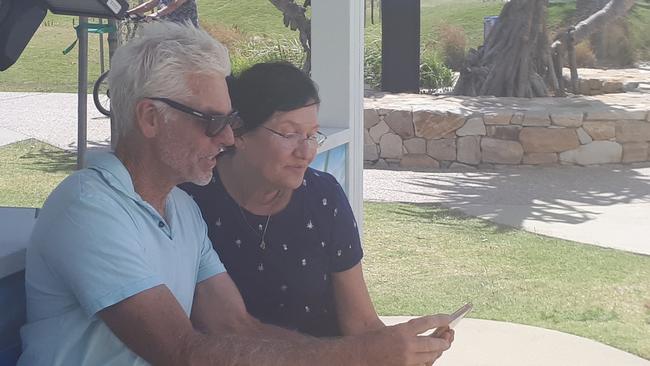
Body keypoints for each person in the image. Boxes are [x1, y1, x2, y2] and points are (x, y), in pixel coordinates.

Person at [18, 21, 453, 366]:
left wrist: (371, 353)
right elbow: (182, 353)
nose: (227, 137)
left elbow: (236, 327)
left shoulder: (183, 209)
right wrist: (355, 356)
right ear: (150, 118)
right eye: (211, 121)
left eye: (230, 120)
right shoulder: (89, 209)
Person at [181, 62, 388, 337]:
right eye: (289, 134)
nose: (306, 152)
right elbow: (213, 329)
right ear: (239, 133)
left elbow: (361, 323)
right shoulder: (191, 199)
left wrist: (399, 350)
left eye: (312, 135)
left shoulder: (324, 197)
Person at [127, 0, 199, 27]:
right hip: (167, 29)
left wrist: (156, 14)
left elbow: (175, 4)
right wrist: (130, 12)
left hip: (186, 31)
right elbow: (151, 4)